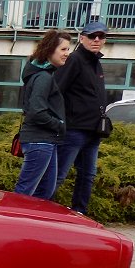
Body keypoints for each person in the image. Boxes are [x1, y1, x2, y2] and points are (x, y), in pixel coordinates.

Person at [53, 21, 109, 214]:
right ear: (82, 38)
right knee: (58, 175)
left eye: (101, 36)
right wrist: (62, 120)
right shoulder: (74, 59)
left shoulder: (96, 62)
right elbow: (57, 90)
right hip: (74, 130)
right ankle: (36, 212)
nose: (97, 40)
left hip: (94, 131)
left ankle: (79, 212)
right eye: (92, 36)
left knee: (88, 175)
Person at [13, 30, 70, 199]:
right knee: (25, 192)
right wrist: (59, 124)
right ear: (50, 50)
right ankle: (9, 222)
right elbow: (37, 111)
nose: (67, 54)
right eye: (63, 49)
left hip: (45, 140)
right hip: (39, 141)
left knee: (44, 192)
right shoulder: (43, 77)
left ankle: (31, 224)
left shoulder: (44, 74)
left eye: (68, 49)